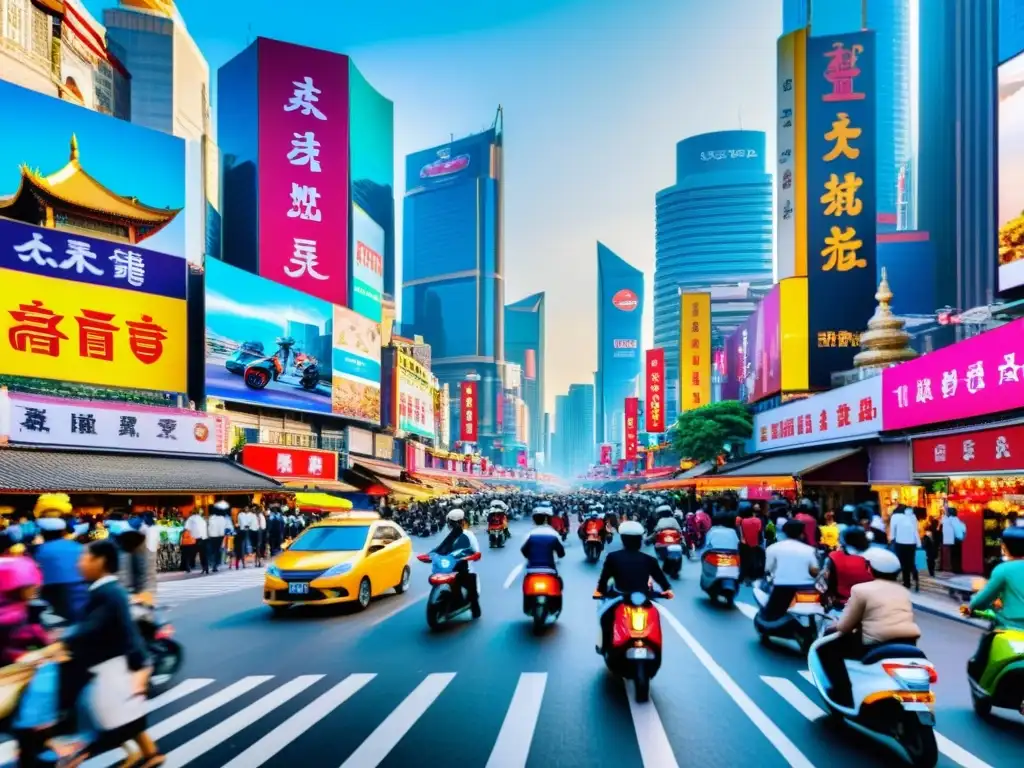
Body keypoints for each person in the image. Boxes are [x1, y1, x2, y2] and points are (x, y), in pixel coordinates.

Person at [59, 540, 163, 767]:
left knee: (111, 722)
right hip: (120, 665)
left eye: (84, 558)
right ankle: (151, 754)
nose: (79, 563)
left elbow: (92, 627)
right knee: (127, 717)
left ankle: (76, 757)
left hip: (115, 667)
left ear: (100, 561)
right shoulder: (106, 590)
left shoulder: (108, 592)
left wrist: (63, 642)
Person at [816, 548, 921, 706]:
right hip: (909, 643)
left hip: (876, 644)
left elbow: (844, 627)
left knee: (825, 649)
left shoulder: (861, 590)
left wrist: (831, 629)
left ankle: (842, 693)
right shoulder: (903, 591)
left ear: (870, 569)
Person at [594, 521, 673, 653]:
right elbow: (662, 581)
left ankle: (605, 647)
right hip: (643, 599)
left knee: (604, 618)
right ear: (640, 540)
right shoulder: (649, 560)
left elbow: (603, 580)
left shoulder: (613, 557)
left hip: (619, 598)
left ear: (623, 540)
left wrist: (601, 592)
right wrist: (667, 590)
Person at [964, 527, 1024, 681]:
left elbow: (982, 599)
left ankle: (982, 685)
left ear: (1005, 547)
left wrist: (971, 607)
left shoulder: (1003, 570)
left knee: (984, 650)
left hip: (1009, 628)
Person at [760, 519, 820, 621]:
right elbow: (815, 571)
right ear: (802, 534)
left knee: (769, 614)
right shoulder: (810, 550)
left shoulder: (773, 548)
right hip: (806, 588)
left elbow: (767, 568)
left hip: (781, 587)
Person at [432, 509, 481, 617]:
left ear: (462, 522)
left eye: (457, 522)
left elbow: (477, 552)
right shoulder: (445, 534)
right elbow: (437, 549)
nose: (454, 525)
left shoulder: (469, 535)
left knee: (472, 589)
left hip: (464, 568)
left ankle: (474, 607)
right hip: (446, 567)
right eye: (452, 522)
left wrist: (469, 557)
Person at [818, 528, 872, 610]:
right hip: (869, 605)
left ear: (843, 542)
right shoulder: (873, 558)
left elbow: (821, 585)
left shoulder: (835, 557)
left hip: (841, 605)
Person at [520, 507, 565, 577]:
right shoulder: (554, 534)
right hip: (550, 570)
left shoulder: (529, 534)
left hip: (531, 570)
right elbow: (561, 553)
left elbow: (524, 551)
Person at [889, 504, 921, 591]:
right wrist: (918, 543)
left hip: (900, 542)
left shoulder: (895, 516)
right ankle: (916, 578)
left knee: (903, 563)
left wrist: (891, 539)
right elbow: (916, 529)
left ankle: (907, 583)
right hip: (912, 542)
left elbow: (892, 530)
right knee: (911, 562)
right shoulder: (912, 516)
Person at [182, 509, 208, 575]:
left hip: (194, 539)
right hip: (203, 538)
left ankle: (188, 568)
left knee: (189, 554)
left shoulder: (190, 519)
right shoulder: (201, 519)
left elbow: (186, 528)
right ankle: (205, 568)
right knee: (203, 555)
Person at [943, 508, 967, 573]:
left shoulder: (948, 520)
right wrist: (963, 537)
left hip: (952, 539)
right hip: (959, 539)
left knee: (953, 555)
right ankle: (958, 568)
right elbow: (964, 529)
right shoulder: (958, 520)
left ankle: (954, 568)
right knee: (958, 555)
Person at [206, 502, 228, 573]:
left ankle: (213, 564)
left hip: (212, 536)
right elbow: (224, 527)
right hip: (219, 536)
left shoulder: (210, 518)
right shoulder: (222, 518)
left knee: (212, 550)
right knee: (217, 550)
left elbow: (208, 527)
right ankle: (216, 564)